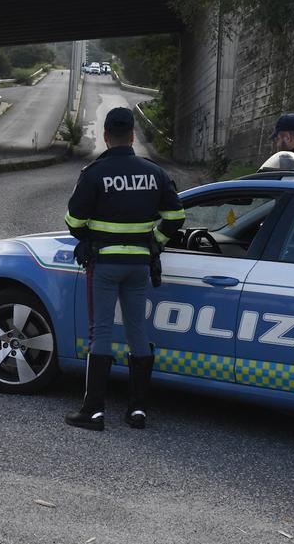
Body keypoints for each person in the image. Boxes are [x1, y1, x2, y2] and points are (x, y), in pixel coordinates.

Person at [64, 107, 185, 431]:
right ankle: (138, 411)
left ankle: (94, 411)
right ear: (132, 135)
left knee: (100, 332)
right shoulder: (153, 172)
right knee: (138, 333)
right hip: (138, 265)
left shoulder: (94, 173)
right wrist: (155, 242)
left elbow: (73, 221)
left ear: (106, 137)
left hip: (105, 264)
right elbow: (175, 217)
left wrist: (91, 237)